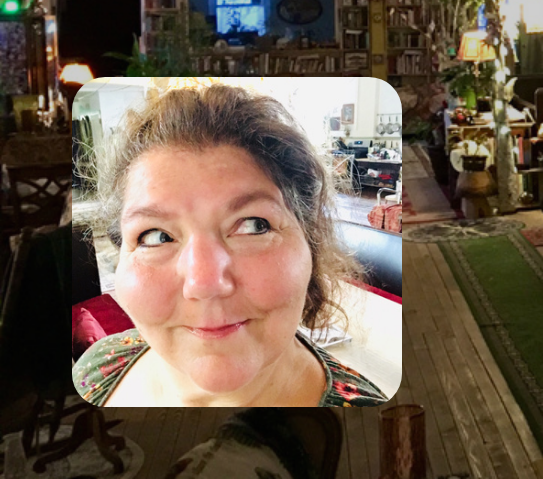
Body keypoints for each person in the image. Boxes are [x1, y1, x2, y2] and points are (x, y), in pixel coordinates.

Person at [72, 84, 387, 407]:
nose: (204, 283)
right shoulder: (97, 367)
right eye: (156, 236)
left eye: (254, 225)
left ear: (310, 244)